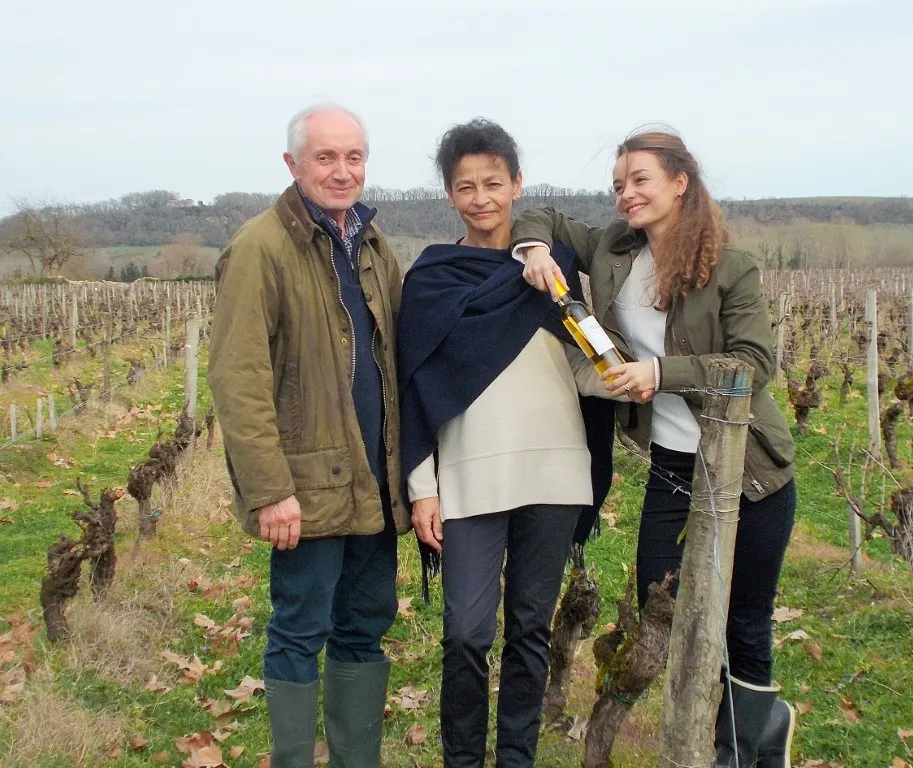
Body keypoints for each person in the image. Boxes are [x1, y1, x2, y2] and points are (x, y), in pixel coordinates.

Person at [512, 128, 797, 768]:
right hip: (672, 468)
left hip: (749, 470)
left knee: (743, 620)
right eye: (618, 185)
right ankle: (733, 722)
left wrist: (661, 374)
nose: (626, 194)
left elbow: (755, 364)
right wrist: (535, 248)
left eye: (640, 179)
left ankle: (742, 745)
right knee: (660, 602)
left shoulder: (732, 268)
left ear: (680, 182)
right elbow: (545, 214)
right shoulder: (615, 249)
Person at [398, 118, 619, 768]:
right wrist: (422, 488)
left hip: (554, 475)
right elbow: (415, 389)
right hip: (471, 479)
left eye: (493, 183)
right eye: (466, 186)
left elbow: (584, 362)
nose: (481, 198)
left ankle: (517, 758)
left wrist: (640, 380)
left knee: (530, 631)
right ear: (449, 194)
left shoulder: (555, 270)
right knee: (466, 634)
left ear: (517, 184)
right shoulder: (433, 280)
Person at [207, 104, 408, 768]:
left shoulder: (373, 247)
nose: (342, 171)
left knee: (365, 626)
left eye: (354, 157)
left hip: (373, 482)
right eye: (326, 157)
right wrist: (270, 490)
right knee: (299, 630)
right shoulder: (260, 247)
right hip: (307, 489)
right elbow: (239, 378)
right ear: (293, 164)